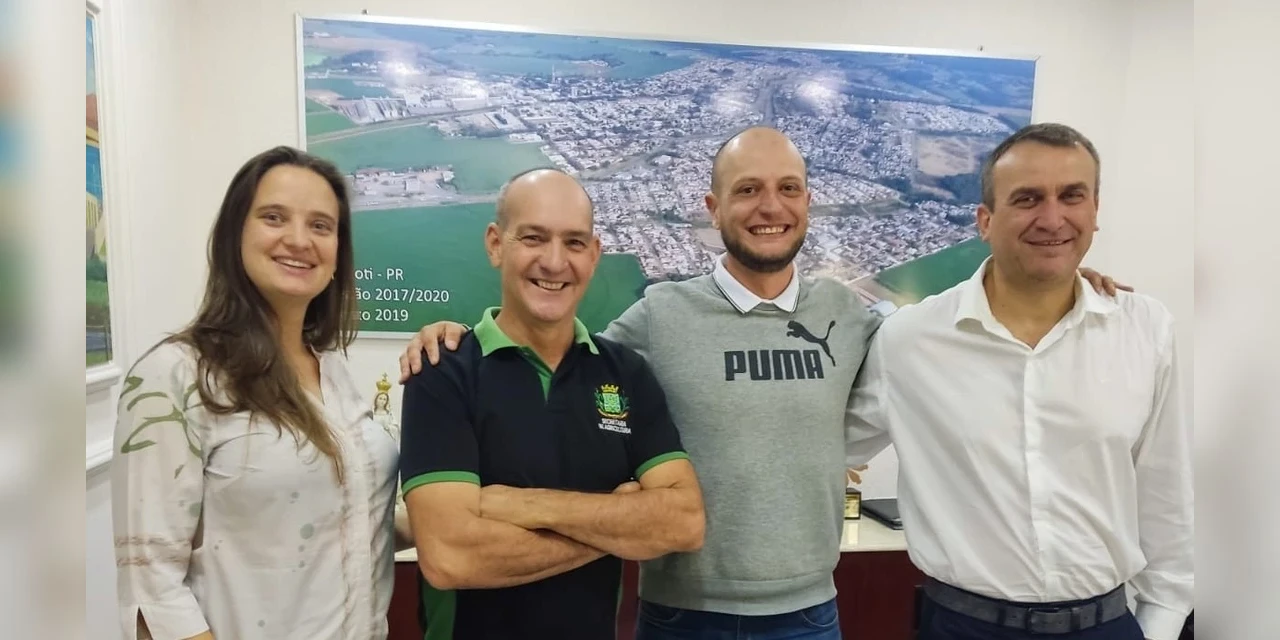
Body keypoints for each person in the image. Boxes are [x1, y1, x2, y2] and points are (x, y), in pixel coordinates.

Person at [399, 127, 1125, 639]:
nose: (769, 207)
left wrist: (1054, 279)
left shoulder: (851, 315)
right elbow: (557, 349)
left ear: (808, 202)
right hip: (680, 616)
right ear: (713, 208)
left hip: (809, 614)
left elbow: (951, 334)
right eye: (747, 190)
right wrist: (457, 335)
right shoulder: (658, 316)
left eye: (788, 189)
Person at [845, 123, 1192, 640]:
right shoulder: (909, 340)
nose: (1052, 219)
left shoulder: (1144, 328)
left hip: (1106, 625)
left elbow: (1166, 493)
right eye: (1027, 199)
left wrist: (1161, 622)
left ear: (1095, 210)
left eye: (1071, 196)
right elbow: (824, 447)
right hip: (963, 627)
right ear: (985, 220)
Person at [111, 146, 411, 640]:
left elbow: (341, 520)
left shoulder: (333, 372)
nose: (299, 240)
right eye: (274, 217)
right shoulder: (175, 376)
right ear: (235, 234)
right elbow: (153, 593)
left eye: (321, 226)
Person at [398, 167, 705, 640]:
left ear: (594, 255)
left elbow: (684, 522)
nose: (555, 261)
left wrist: (522, 505)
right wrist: (618, 528)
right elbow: (450, 557)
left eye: (574, 242)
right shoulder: (442, 370)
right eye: (534, 238)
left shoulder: (626, 374)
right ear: (496, 244)